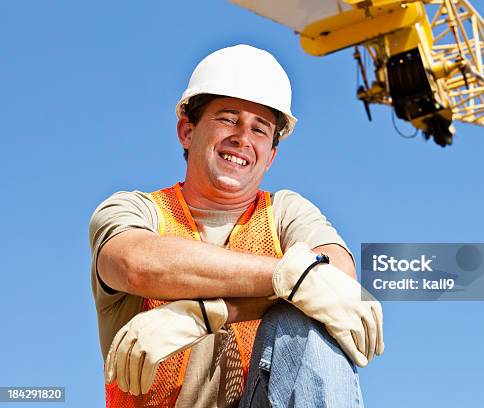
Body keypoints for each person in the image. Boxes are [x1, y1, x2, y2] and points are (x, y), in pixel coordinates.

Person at [89, 44, 384, 408]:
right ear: (186, 131)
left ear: (271, 155)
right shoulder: (137, 210)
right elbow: (134, 262)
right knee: (307, 288)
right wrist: (291, 278)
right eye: (228, 118)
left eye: (259, 129)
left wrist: (208, 313)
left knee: (307, 322)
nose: (242, 138)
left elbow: (336, 283)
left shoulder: (285, 212)